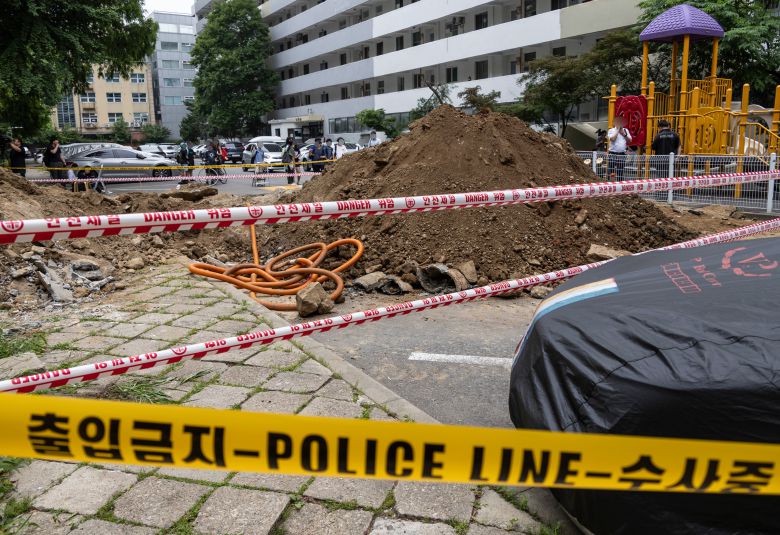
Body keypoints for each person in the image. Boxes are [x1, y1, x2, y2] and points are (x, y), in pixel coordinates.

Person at [607, 116, 632, 181]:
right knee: (611, 170)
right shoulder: (611, 130)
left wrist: (623, 134)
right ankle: (611, 184)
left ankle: (620, 185)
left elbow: (629, 141)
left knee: (620, 171)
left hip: (622, 153)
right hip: (612, 153)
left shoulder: (626, 130)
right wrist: (617, 130)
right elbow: (612, 139)